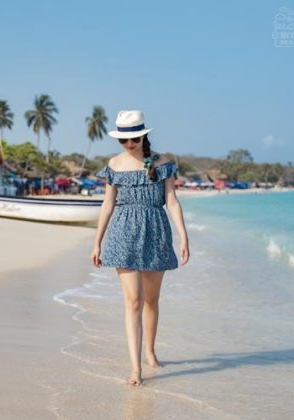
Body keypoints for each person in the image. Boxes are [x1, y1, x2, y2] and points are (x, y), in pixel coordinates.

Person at [91, 110, 190, 387]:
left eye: (133, 138)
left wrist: (184, 237)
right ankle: (135, 368)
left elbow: (171, 201)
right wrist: (97, 241)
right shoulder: (114, 164)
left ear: (143, 134)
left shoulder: (163, 163)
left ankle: (150, 350)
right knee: (133, 301)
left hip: (155, 230)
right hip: (123, 231)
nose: (129, 144)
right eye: (123, 140)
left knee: (151, 300)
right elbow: (107, 204)